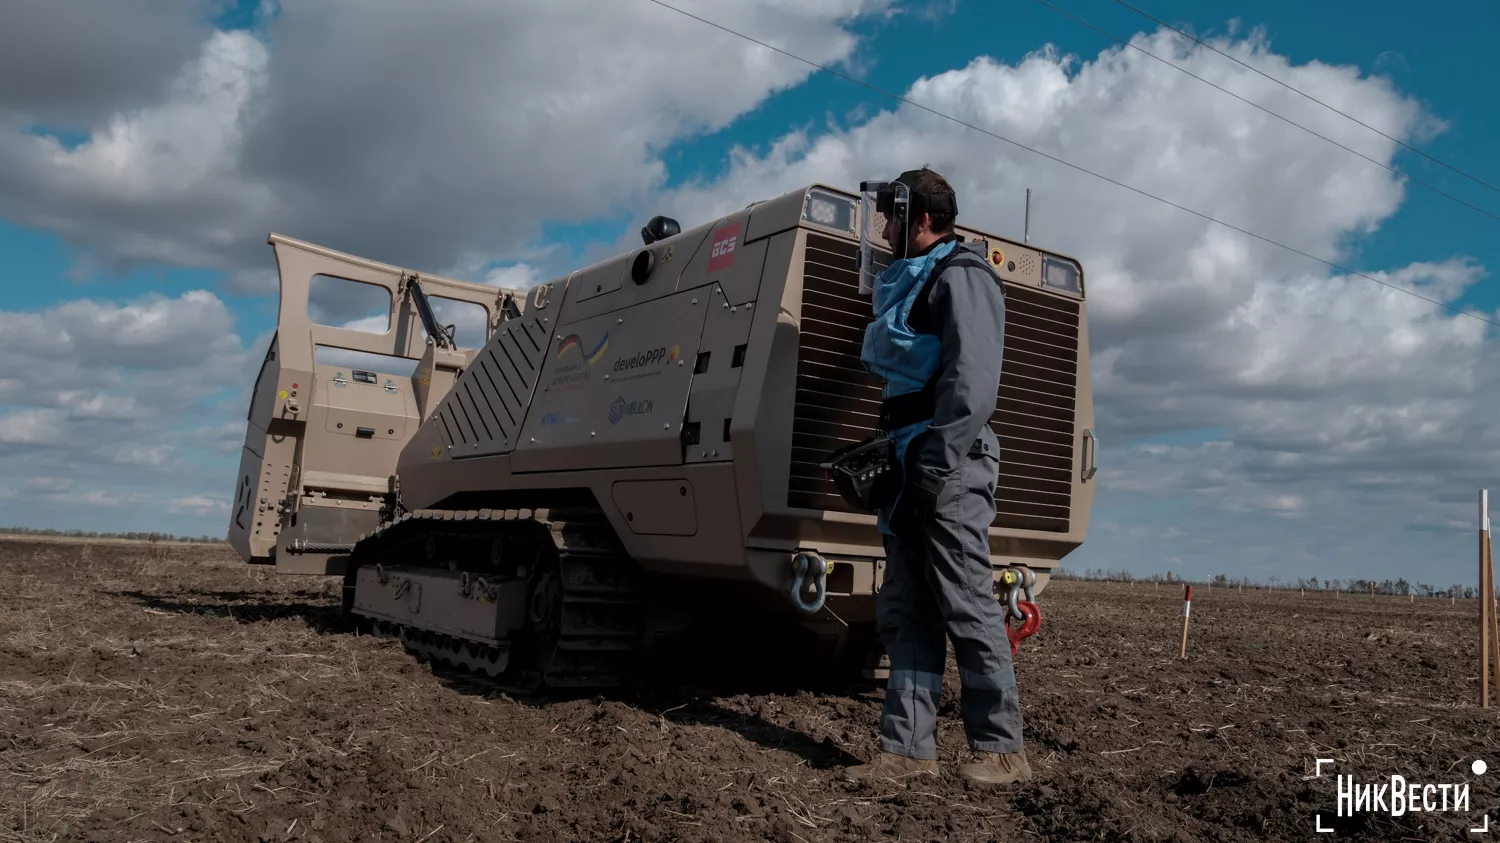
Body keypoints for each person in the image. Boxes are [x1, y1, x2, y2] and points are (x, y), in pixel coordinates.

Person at [842, 168, 1031, 786]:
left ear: (919, 219)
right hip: (907, 458)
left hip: (945, 460)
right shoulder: (916, 279)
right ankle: (906, 750)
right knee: (907, 607)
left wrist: (937, 460)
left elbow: (973, 384)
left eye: (893, 217)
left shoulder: (963, 278)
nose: (886, 229)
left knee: (967, 601)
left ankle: (1002, 750)